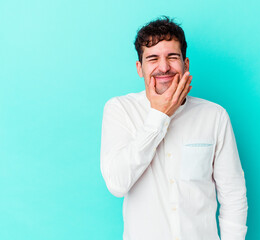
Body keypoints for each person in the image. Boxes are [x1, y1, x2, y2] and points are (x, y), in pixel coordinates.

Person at [100, 16, 248, 240]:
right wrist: (159, 115)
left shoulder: (214, 116)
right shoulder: (120, 110)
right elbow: (117, 184)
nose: (164, 67)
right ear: (140, 68)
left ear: (185, 64)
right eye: (153, 58)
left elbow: (233, 195)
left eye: (172, 56)